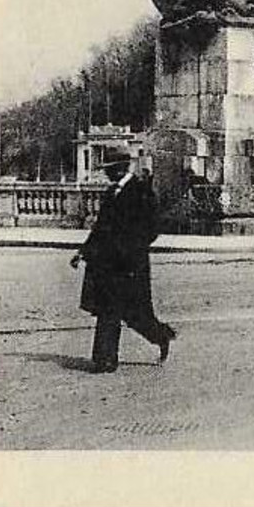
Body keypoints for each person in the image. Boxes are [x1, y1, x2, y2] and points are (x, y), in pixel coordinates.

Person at [71, 153, 176, 372]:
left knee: (135, 314)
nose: (106, 173)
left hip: (130, 264)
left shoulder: (141, 191)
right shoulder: (111, 192)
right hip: (107, 263)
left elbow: (152, 227)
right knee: (107, 310)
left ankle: (161, 336)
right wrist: (83, 251)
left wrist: (131, 249)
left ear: (120, 169)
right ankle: (105, 360)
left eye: (109, 169)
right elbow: (100, 227)